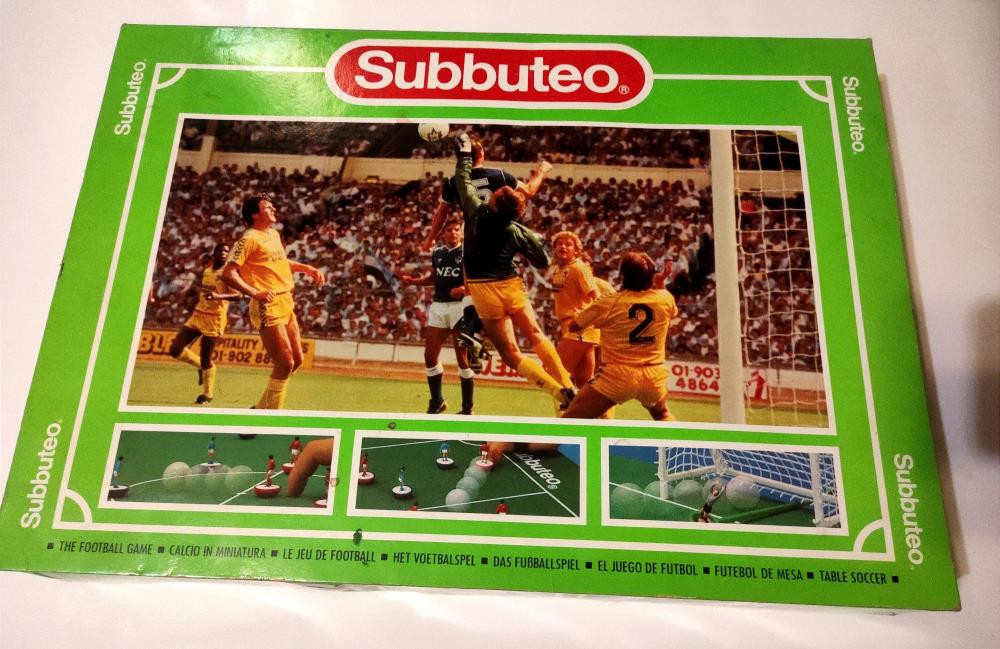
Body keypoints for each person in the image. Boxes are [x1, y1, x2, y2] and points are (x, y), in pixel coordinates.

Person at [451, 134, 576, 411]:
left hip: (484, 291)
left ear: (495, 202)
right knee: (536, 335)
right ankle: (568, 384)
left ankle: (558, 392)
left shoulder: (475, 213)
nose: (493, 192)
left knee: (511, 354)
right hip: (511, 286)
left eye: (495, 194)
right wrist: (527, 245)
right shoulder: (516, 229)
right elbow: (542, 261)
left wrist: (464, 156)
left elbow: (463, 182)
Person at [424, 135, 554, 366]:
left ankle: (472, 335)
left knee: (471, 289)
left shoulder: (454, 182)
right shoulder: (499, 175)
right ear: (482, 153)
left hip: (472, 234)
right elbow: (529, 191)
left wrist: (430, 238)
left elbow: (442, 213)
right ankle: (474, 335)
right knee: (500, 283)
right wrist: (541, 171)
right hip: (500, 233)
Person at [222, 194, 325, 410]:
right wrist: (254, 292)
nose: (274, 209)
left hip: (285, 300)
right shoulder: (248, 239)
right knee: (285, 362)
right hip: (267, 304)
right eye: (268, 207)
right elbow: (228, 273)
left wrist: (306, 268)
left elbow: (279, 262)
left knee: (296, 361)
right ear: (254, 214)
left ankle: (260, 409)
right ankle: (270, 417)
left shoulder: (273, 234)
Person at [560, 251, 679, 421]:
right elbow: (669, 307)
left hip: (617, 376)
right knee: (662, 414)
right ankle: (679, 440)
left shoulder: (609, 302)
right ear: (652, 276)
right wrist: (659, 282)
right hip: (653, 375)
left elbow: (574, 326)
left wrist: (582, 307)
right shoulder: (665, 299)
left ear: (622, 276)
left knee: (570, 420)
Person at [400, 218, 475, 415]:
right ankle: (437, 400)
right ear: (443, 233)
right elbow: (434, 278)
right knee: (430, 356)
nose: (453, 232)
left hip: (460, 307)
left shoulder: (467, 252)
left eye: (456, 229)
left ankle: (467, 408)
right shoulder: (438, 253)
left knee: (462, 358)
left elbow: (475, 280)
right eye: (449, 229)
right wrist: (414, 281)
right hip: (439, 306)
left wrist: (462, 289)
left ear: (461, 233)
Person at [168, 243, 233, 404]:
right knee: (175, 349)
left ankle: (208, 394)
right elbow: (202, 291)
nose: (223, 253)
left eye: (226, 251)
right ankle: (199, 366)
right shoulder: (207, 271)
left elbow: (238, 295)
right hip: (198, 315)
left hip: (214, 319)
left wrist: (218, 297)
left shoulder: (228, 273)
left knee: (206, 359)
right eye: (220, 250)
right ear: (214, 253)